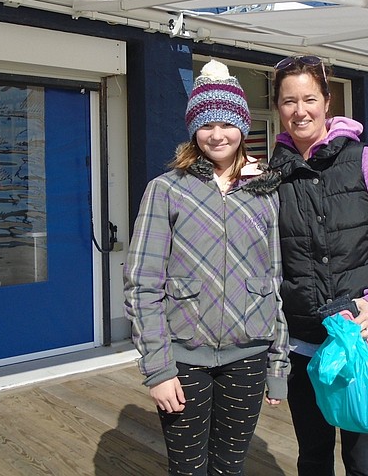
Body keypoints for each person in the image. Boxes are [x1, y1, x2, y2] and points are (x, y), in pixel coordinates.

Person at [123, 59, 289, 476]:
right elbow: (142, 284)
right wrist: (158, 369)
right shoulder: (166, 190)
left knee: (230, 467)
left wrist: (277, 364)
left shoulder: (264, 192)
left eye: (227, 124)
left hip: (248, 356)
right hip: (184, 359)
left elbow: (275, 282)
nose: (217, 135)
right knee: (188, 468)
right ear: (193, 129)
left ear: (243, 126)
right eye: (206, 125)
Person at [268, 55, 368, 476]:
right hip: (304, 345)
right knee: (313, 458)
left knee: (363, 460)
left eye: (309, 99)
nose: (300, 111)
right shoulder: (269, 177)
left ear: (327, 101)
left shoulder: (367, 161)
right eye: (288, 101)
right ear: (278, 107)